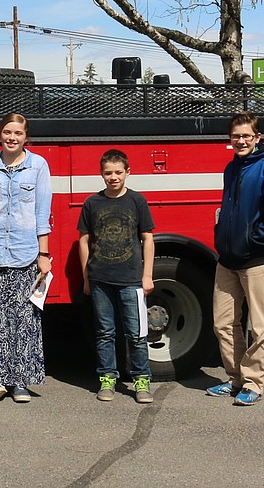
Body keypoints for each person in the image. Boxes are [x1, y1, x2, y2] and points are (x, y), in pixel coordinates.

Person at [206, 112, 264, 406]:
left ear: (257, 138)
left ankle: (254, 383)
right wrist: (221, 236)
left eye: (246, 136)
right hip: (227, 259)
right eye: (235, 136)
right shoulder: (232, 168)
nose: (240, 141)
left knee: (259, 324)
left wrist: (254, 241)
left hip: (256, 259)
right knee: (223, 323)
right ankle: (235, 378)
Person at [0, 113, 53, 403]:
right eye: (7, 132)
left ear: (26, 137)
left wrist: (43, 254)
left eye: (17, 133)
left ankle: (19, 382)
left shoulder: (38, 166)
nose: (11, 138)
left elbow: (42, 214)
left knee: (23, 321)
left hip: (25, 255)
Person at [77, 149, 156, 404]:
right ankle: (107, 379)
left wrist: (147, 276)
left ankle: (141, 380)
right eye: (108, 173)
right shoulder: (92, 203)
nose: (113, 177)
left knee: (136, 334)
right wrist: (87, 278)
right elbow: (84, 241)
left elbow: (148, 239)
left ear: (128, 173)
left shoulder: (137, 201)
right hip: (100, 279)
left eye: (118, 172)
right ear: (101, 174)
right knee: (104, 333)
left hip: (132, 279)